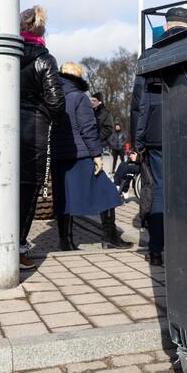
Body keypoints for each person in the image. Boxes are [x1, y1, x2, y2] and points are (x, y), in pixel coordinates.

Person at [132, 7, 187, 266]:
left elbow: (139, 103)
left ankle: (156, 249)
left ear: (167, 26)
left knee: (159, 189)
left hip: (158, 132)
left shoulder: (150, 55)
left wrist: (138, 140)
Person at [51, 62, 130, 250]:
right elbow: (88, 129)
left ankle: (66, 242)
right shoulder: (79, 97)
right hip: (80, 154)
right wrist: (96, 155)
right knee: (108, 193)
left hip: (58, 155)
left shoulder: (51, 96)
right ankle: (109, 237)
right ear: (78, 77)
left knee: (64, 198)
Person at [18, 5, 65, 269]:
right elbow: (56, 101)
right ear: (41, 30)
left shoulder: (6, 56)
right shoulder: (44, 59)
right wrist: (54, 121)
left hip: (6, 131)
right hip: (34, 131)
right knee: (28, 191)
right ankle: (19, 249)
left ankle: (2, 243)